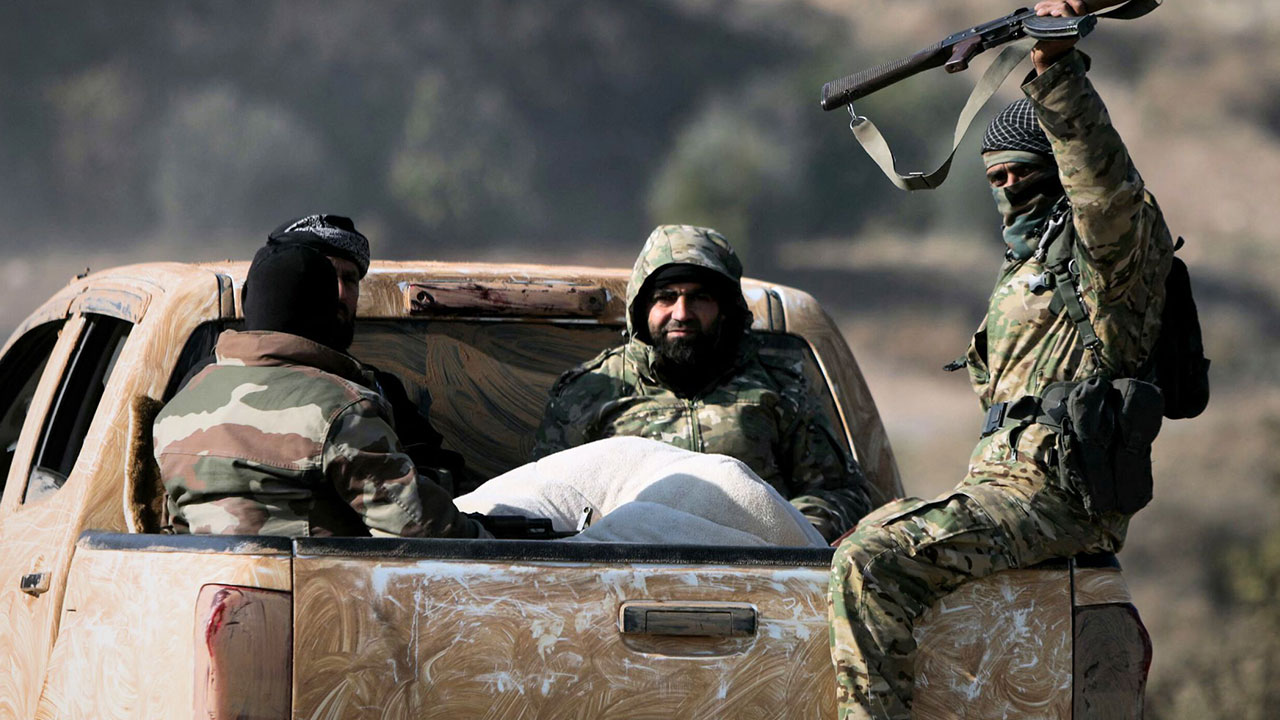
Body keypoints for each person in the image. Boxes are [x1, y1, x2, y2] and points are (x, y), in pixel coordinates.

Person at [828, 2, 1175, 718]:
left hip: (1060, 496)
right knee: (867, 531)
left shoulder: (1108, 259)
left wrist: (1054, 64)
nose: (1010, 190)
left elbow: (1103, 188)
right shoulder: (1024, 274)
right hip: (1012, 490)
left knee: (871, 558)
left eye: (1024, 174)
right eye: (997, 180)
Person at [533, 224, 872, 542]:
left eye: (699, 298)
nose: (681, 312)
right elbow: (545, 502)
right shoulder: (591, 391)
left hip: (759, 581)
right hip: (622, 578)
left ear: (725, 308)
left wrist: (782, 538)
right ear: (641, 308)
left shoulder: (780, 387)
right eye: (666, 297)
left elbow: (841, 493)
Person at [153, 221, 485, 538]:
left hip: (200, 588)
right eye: (332, 282)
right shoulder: (343, 409)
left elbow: (172, 526)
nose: (343, 294)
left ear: (249, 302)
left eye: (350, 279)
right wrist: (496, 541)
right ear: (324, 307)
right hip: (319, 591)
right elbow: (421, 527)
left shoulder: (175, 412)